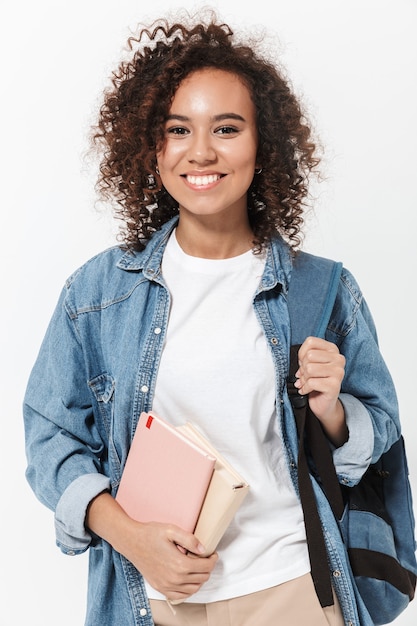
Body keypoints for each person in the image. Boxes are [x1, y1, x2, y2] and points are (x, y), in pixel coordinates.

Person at [23, 11, 401, 626]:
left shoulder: (321, 288)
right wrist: (130, 536)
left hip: (294, 589)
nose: (201, 151)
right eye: (178, 129)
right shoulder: (97, 293)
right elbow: (50, 441)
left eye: (227, 128)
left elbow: (375, 436)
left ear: (262, 144)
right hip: (153, 598)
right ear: (152, 146)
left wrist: (332, 410)